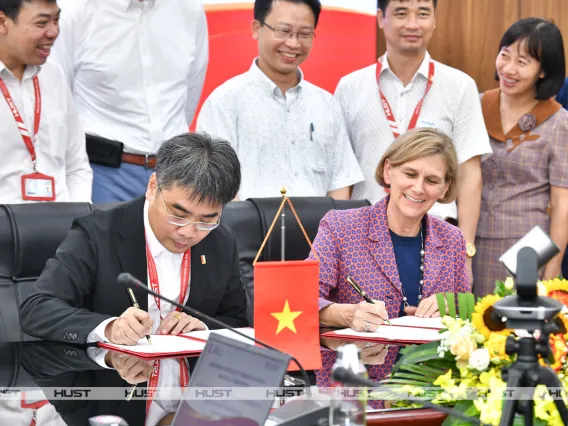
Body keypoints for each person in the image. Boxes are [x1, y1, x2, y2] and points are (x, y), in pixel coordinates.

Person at [20, 132, 249, 347]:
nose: (189, 231)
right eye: (178, 215)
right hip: (111, 378)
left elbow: (239, 319)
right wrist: (108, 328)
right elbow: (37, 310)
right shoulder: (97, 234)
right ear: (152, 187)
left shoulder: (221, 241)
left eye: (206, 220)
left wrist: (205, 327)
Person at [334, 0, 492, 282]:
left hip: (437, 239)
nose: (412, 24)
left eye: (422, 13)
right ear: (381, 18)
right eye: (401, 13)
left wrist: (465, 252)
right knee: (366, 324)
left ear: (434, 20)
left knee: (435, 324)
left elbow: (469, 174)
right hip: (364, 242)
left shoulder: (460, 86)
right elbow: (342, 174)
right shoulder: (350, 87)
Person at [196, 0, 363, 200]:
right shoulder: (224, 103)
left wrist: (331, 231)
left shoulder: (327, 105)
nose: (293, 43)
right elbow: (217, 184)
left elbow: (340, 183)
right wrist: (245, 227)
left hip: (319, 230)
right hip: (249, 229)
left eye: (304, 34)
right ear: (257, 28)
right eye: (284, 31)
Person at [309, 128, 470, 332]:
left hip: (430, 363)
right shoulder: (341, 227)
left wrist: (453, 308)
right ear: (388, 171)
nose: (418, 188)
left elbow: (469, 311)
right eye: (410, 174)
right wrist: (349, 315)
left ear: (445, 188)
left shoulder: (452, 238)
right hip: (360, 361)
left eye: (432, 180)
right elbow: (302, 302)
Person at [49, 0, 209, 203]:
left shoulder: (189, 8)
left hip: (175, 176)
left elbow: (190, 93)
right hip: (101, 174)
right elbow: (56, 101)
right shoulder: (74, 11)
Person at [473, 18, 568, 298]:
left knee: (513, 334)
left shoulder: (559, 122)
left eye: (523, 62)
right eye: (505, 55)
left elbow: (563, 204)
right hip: (470, 242)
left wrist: (554, 265)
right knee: (464, 333)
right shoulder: (475, 105)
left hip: (529, 249)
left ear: (543, 71)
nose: (509, 69)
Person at [0, 0, 91, 204]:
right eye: (41, 23)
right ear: (2, 22)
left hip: (59, 226)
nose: (53, 32)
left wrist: (78, 222)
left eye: (56, 20)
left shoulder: (54, 76)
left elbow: (76, 165)